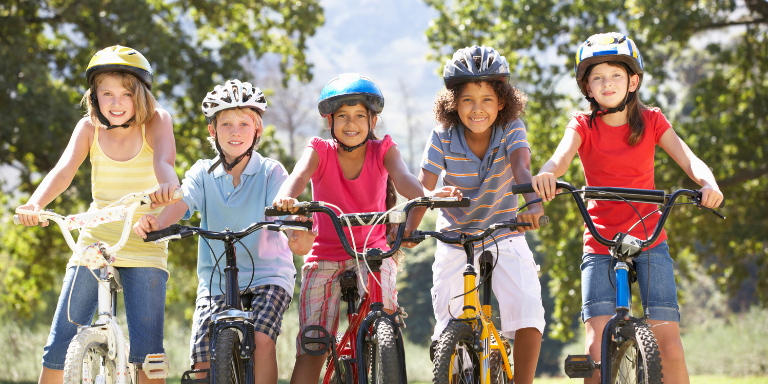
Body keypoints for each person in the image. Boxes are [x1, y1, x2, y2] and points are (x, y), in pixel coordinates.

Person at [530, 32, 724, 384]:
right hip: (600, 241)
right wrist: (546, 174)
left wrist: (708, 184)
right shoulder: (582, 125)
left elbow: (690, 159)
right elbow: (558, 160)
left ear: (633, 81)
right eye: (598, 77)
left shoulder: (651, 121)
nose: (607, 83)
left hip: (650, 239)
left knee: (670, 349)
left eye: (616, 75)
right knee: (596, 350)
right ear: (587, 87)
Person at [271, 73, 459, 384]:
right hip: (325, 257)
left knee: (384, 321)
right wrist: (286, 197)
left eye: (360, 115)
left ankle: (378, 348)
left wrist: (427, 196)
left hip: (373, 257)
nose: (351, 123)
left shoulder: (383, 148)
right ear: (329, 120)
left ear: (372, 120)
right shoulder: (319, 149)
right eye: (342, 115)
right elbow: (298, 176)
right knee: (313, 347)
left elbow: (404, 180)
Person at [132, 79, 314, 384]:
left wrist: (294, 226)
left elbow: (282, 209)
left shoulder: (271, 171)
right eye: (226, 123)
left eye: (244, 123)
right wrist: (159, 223)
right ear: (212, 131)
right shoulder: (202, 172)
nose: (235, 131)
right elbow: (182, 201)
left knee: (261, 339)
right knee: (202, 362)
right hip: (216, 278)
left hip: (268, 275)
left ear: (257, 130)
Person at [16, 45, 178, 384]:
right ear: (94, 96)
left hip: (142, 240)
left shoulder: (157, 122)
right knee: (60, 340)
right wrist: (35, 204)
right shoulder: (88, 128)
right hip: (95, 242)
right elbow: (63, 171)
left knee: (148, 353)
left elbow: (164, 162)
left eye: (125, 94)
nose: (116, 103)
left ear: (142, 96)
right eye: (107, 93)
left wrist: (168, 189)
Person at [419, 45, 546, 384]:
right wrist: (409, 229)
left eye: (487, 99)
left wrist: (533, 205)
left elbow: (521, 167)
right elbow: (423, 188)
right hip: (454, 237)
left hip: (504, 231)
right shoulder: (442, 135)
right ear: (452, 104)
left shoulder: (512, 128)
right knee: (448, 323)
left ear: (502, 101)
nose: (477, 109)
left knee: (527, 308)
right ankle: (457, 367)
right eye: (467, 100)